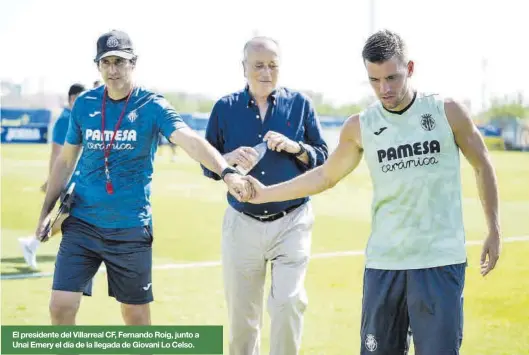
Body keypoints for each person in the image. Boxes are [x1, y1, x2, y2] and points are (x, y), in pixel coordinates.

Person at [244, 29, 501, 354]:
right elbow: (325, 176)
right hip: (384, 265)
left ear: (409, 68)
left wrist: (494, 229)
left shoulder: (446, 112)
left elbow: (483, 165)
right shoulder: (361, 125)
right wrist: (264, 193)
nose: (385, 89)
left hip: (439, 261)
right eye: (375, 80)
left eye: (392, 78)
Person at [35, 29, 251, 326]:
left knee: (135, 316)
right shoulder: (84, 104)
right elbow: (65, 160)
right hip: (82, 223)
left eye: (120, 62)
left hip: (130, 226)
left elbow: (188, 139)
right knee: (60, 306)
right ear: (97, 65)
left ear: (133, 63)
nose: (113, 70)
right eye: (106, 62)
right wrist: (46, 213)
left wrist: (226, 172)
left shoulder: (151, 105)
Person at [201, 36, 328, 355]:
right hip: (242, 222)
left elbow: (323, 156)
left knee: (288, 304)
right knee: (244, 320)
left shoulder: (300, 105)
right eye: (258, 65)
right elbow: (208, 163)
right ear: (243, 67)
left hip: (293, 221)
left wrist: (296, 147)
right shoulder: (224, 108)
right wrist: (228, 159)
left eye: (273, 65)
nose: (266, 72)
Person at [18, 83, 86, 270]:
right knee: (73, 217)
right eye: (80, 98)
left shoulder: (78, 118)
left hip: (80, 177)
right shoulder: (65, 120)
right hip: (68, 180)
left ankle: (33, 243)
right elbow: (56, 154)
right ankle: (33, 243)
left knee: (74, 217)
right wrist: (53, 181)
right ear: (72, 99)